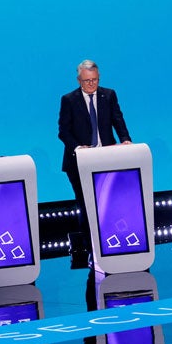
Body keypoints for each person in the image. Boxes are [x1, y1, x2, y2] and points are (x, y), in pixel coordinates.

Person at [58, 60, 131, 231]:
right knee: (87, 205)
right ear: (79, 81)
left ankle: (112, 238)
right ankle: (90, 246)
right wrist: (78, 148)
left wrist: (126, 139)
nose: (91, 84)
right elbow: (63, 131)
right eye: (87, 81)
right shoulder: (69, 100)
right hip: (78, 162)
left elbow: (118, 121)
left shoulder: (109, 95)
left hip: (106, 159)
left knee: (110, 202)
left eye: (94, 80)